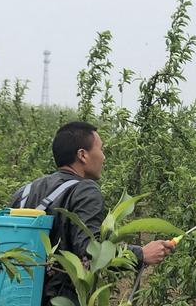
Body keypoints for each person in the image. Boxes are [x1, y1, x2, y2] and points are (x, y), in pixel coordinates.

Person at [10, 121, 173, 305]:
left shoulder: (25, 191)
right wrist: (141, 254)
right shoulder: (85, 190)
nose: (103, 157)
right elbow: (92, 251)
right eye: (101, 149)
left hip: (13, 297)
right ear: (82, 155)